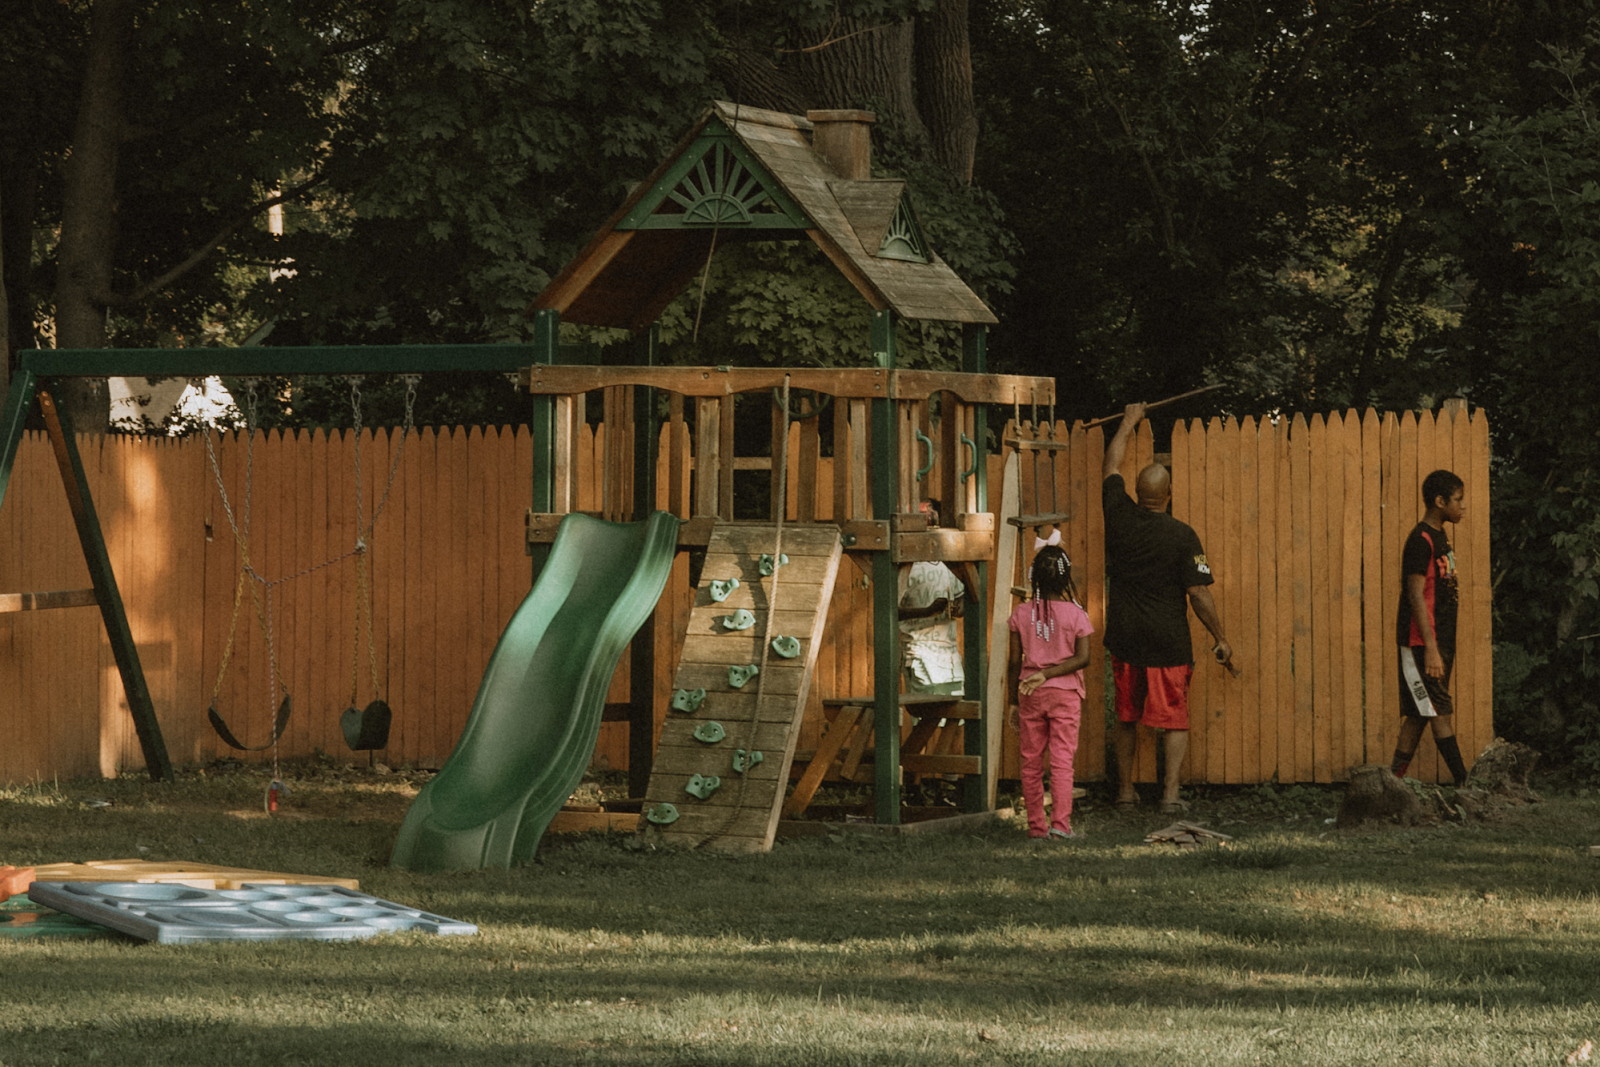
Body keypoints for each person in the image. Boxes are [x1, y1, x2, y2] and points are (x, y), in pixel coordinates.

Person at [1101, 402, 1232, 813]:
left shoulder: (1117, 515)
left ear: (1138, 493)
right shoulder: (1182, 536)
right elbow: (1198, 593)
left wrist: (1128, 420)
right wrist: (1220, 636)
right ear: (1169, 495)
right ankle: (1170, 797)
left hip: (1124, 636)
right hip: (1167, 640)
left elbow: (1111, 466)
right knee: (1173, 718)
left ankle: (1125, 792)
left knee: (1126, 716)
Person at [1007, 546, 1093, 839]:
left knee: (1030, 761)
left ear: (1034, 577)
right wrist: (1051, 673)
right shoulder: (1077, 615)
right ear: (1067, 578)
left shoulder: (1020, 613)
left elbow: (1014, 662)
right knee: (1061, 761)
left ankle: (1036, 828)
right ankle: (1060, 826)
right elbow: (1083, 659)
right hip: (1066, 694)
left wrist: (1012, 702)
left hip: (1029, 693)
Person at [1391, 468, 1469, 786]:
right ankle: (1466, 784)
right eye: (1458, 500)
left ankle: (1392, 784)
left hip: (1439, 640)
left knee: (1419, 713)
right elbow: (1415, 595)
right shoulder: (1420, 540)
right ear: (1439, 501)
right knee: (1437, 711)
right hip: (1421, 642)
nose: (1463, 506)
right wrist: (1432, 648)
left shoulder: (1440, 536)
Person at [898, 500, 969, 696]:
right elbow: (889, 611)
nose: (927, 519)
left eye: (930, 514)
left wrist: (956, 608)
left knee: (955, 714)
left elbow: (963, 600)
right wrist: (928, 611)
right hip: (919, 652)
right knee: (928, 713)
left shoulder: (948, 561)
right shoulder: (904, 562)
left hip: (949, 655)